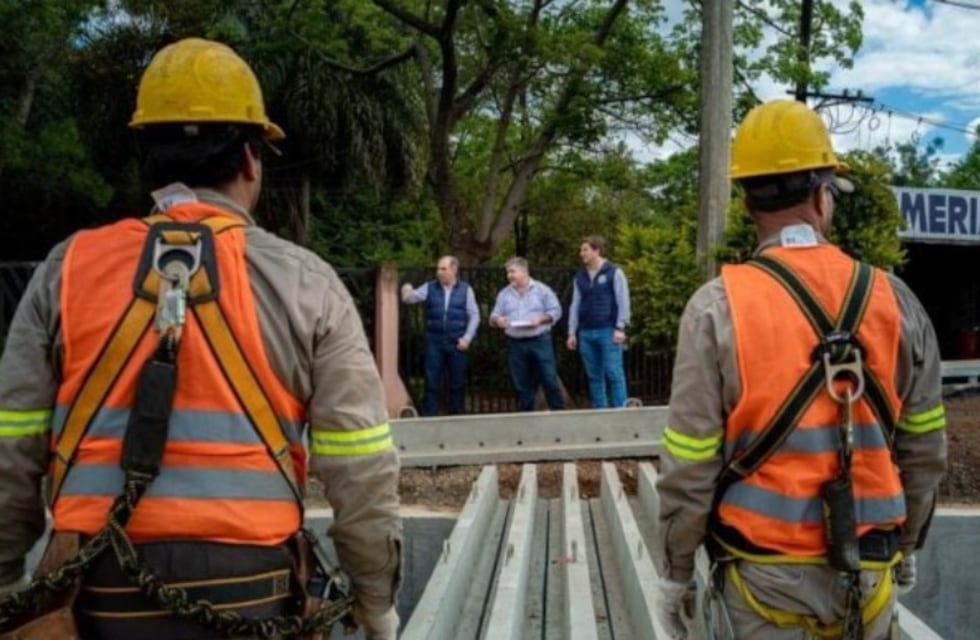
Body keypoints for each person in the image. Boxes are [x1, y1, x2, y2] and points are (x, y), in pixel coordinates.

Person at [0, 38, 401, 640]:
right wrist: (375, 603)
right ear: (249, 157)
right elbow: (360, 464)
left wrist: (6, 578)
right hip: (252, 595)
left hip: (90, 595)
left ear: (148, 157)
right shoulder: (306, 281)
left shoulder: (66, 269)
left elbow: (12, 447)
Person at [654, 99, 947, 640]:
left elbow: (689, 465)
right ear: (822, 195)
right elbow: (925, 449)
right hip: (871, 569)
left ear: (746, 203)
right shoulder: (895, 300)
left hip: (761, 584)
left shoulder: (717, 308)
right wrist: (907, 547)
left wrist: (675, 574)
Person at [401, 256, 480, 416]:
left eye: (443, 269)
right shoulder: (430, 287)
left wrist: (467, 338)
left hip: (457, 341)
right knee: (431, 382)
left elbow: (475, 315)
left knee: (457, 383)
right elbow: (409, 298)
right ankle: (429, 419)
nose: (439, 272)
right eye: (438, 268)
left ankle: (456, 418)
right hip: (434, 341)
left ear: (454, 270)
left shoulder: (466, 289)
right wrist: (406, 288)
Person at [489, 257, 565, 411]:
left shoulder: (543, 290)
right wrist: (498, 321)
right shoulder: (504, 294)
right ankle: (527, 417)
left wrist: (541, 319)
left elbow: (556, 311)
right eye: (508, 272)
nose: (509, 275)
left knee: (549, 379)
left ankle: (558, 414)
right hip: (515, 343)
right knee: (522, 383)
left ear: (524, 271)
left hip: (540, 340)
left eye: (512, 271)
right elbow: (493, 316)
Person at [566, 235, 631, 408]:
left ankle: (621, 411)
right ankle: (600, 412)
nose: (582, 254)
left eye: (585, 249)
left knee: (613, 372)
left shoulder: (614, 272)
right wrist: (572, 332)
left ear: (597, 250)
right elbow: (575, 304)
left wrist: (620, 327)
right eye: (581, 250)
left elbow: (623, 300)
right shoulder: (580, 276)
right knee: (594, 375)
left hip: (608, 330)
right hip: (586, 331)